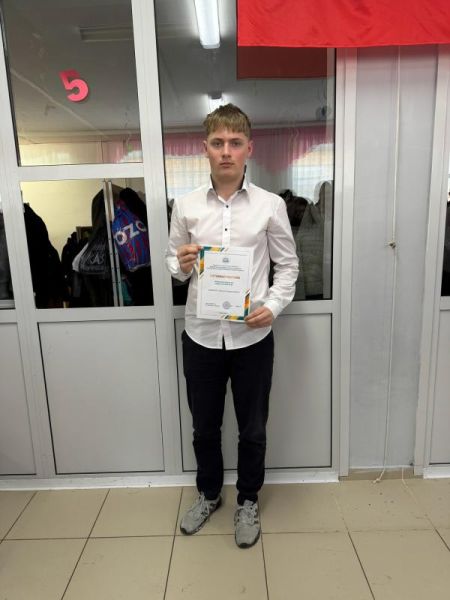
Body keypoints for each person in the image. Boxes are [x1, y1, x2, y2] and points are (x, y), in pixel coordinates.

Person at [165, 104, 299, 548]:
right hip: (201, 336)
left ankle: (247, 499)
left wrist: (273, 306)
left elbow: (288, 266)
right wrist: (181, 264)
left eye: (235, 143)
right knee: (203, 427)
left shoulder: (270, 206)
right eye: (218, 143)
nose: (226, 151)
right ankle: (209, 494)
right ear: (205, 148)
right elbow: (173, 265)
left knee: (252, 428)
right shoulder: (185, 206)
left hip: (252, 337)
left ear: (248, 149)